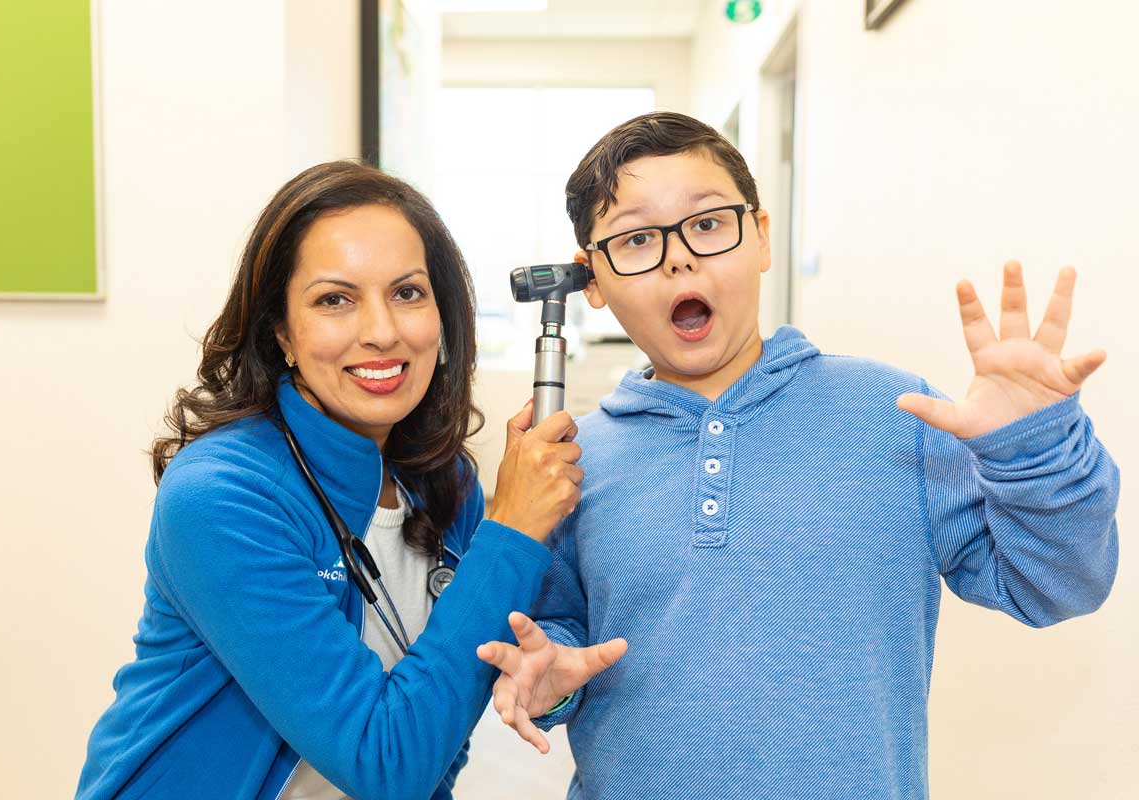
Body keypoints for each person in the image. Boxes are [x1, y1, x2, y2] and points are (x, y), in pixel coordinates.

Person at [476, 112, 1120, 798]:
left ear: (761, 236)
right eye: (636, 240)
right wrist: (551, 680)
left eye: (708, 223)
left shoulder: (893, 414)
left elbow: (1055, 586)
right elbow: (561, 635)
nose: (678, 258)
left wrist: (1033, 452)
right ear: (593, 281)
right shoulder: (578, 460)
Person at [74, 160, 620, 800]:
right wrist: (512, 530)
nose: (382, 332)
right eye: (335, 300)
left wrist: (547, 685)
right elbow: (387, 764)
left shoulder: (448, 486)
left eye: (408, 293)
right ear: (281, 330)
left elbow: (444, 721)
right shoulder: (220, 496)